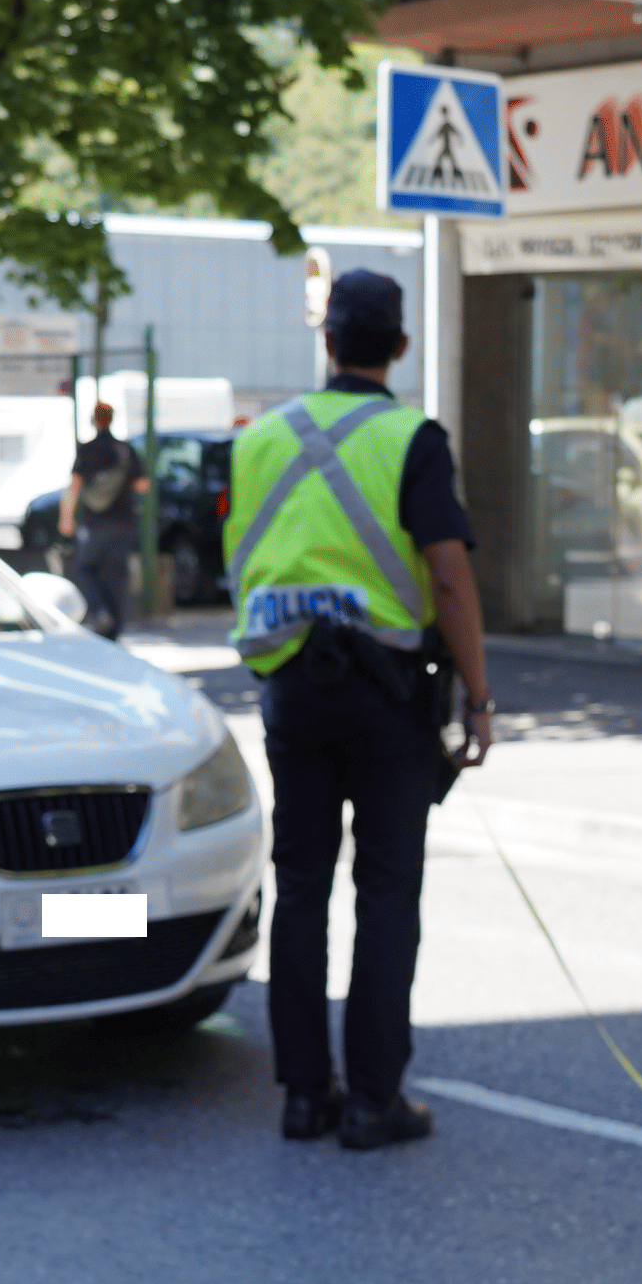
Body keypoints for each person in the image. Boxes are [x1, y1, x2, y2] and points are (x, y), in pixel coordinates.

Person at [231, 269, 495, 1150]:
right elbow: (449, 575)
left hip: (292, 688)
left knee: (301, 888)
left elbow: (245, 560)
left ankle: (305, 1095)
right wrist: (482, 698)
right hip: (387, 697)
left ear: (328, 340)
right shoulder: (411, 438)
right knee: (386, 894)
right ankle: (375, 1098)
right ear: (400, 347)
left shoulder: (260, 438)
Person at [59, 402, 141, 640]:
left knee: (85, 568)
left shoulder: (87, 450)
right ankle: (114, 629)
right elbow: (142, 485)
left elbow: (74, 486)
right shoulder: (126, 450)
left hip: (95, 523)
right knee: (116, 573)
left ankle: (100, 612)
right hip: (124, 522)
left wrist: (66, 518)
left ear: (94, 420)